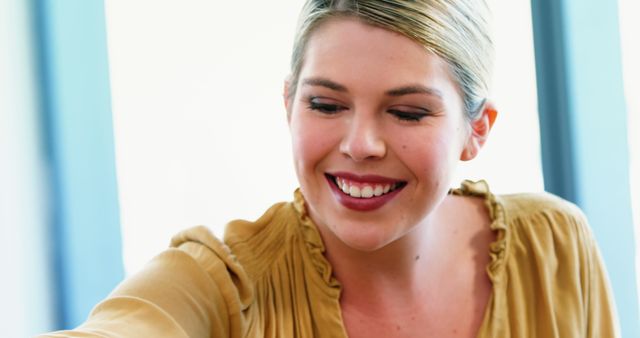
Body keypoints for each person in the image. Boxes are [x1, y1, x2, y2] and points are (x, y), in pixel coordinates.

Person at [39, 0, 620, 337]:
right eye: (326, 104)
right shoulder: (220, 286)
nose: (361, 143)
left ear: (477, 129)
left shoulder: (553, 247)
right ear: (288, 103)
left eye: (407, 111)